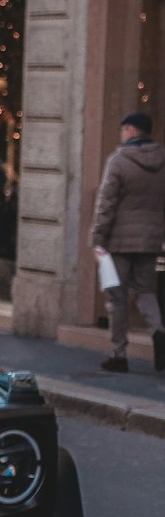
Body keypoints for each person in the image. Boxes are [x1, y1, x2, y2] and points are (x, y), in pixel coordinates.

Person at [90, 110, 165, 372]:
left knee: (117, 297)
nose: (121, 134)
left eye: (124, 129)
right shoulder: (162, 160)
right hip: (150, 241)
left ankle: (118, 354)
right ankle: (159, 331)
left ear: (131, 131)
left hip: (119, 241)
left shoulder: (119, 160)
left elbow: (106, 204)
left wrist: (98, 240)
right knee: (145, 291)